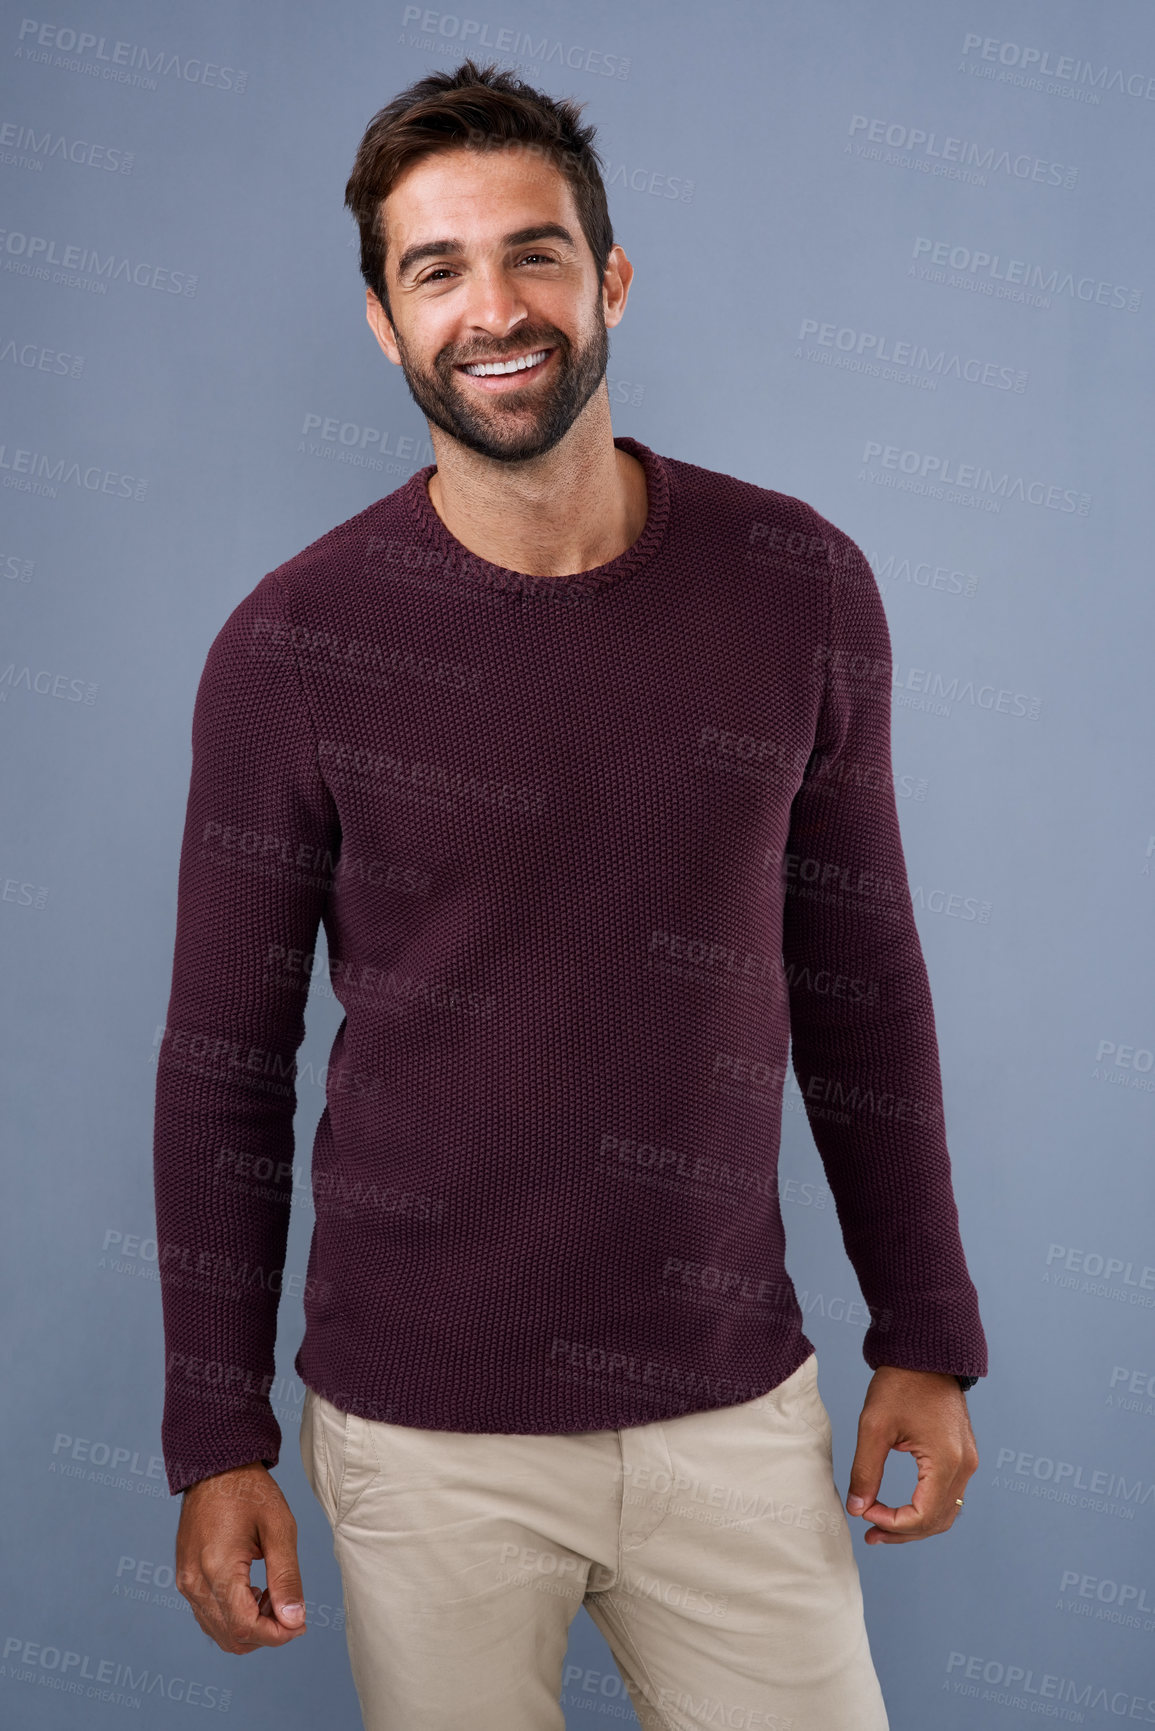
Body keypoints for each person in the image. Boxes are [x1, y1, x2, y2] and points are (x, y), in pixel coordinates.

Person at [155, 58, 987, 1731]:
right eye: (435, 269)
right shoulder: (294, 651)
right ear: (387, 328)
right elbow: (224, 1069)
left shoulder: (798, 585)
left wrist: (928, 1327)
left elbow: (862, 986)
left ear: (609, 279)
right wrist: (213, 1436)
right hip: (422, 1437)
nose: (494, 307)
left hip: (733, 1407)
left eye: (534, 252)